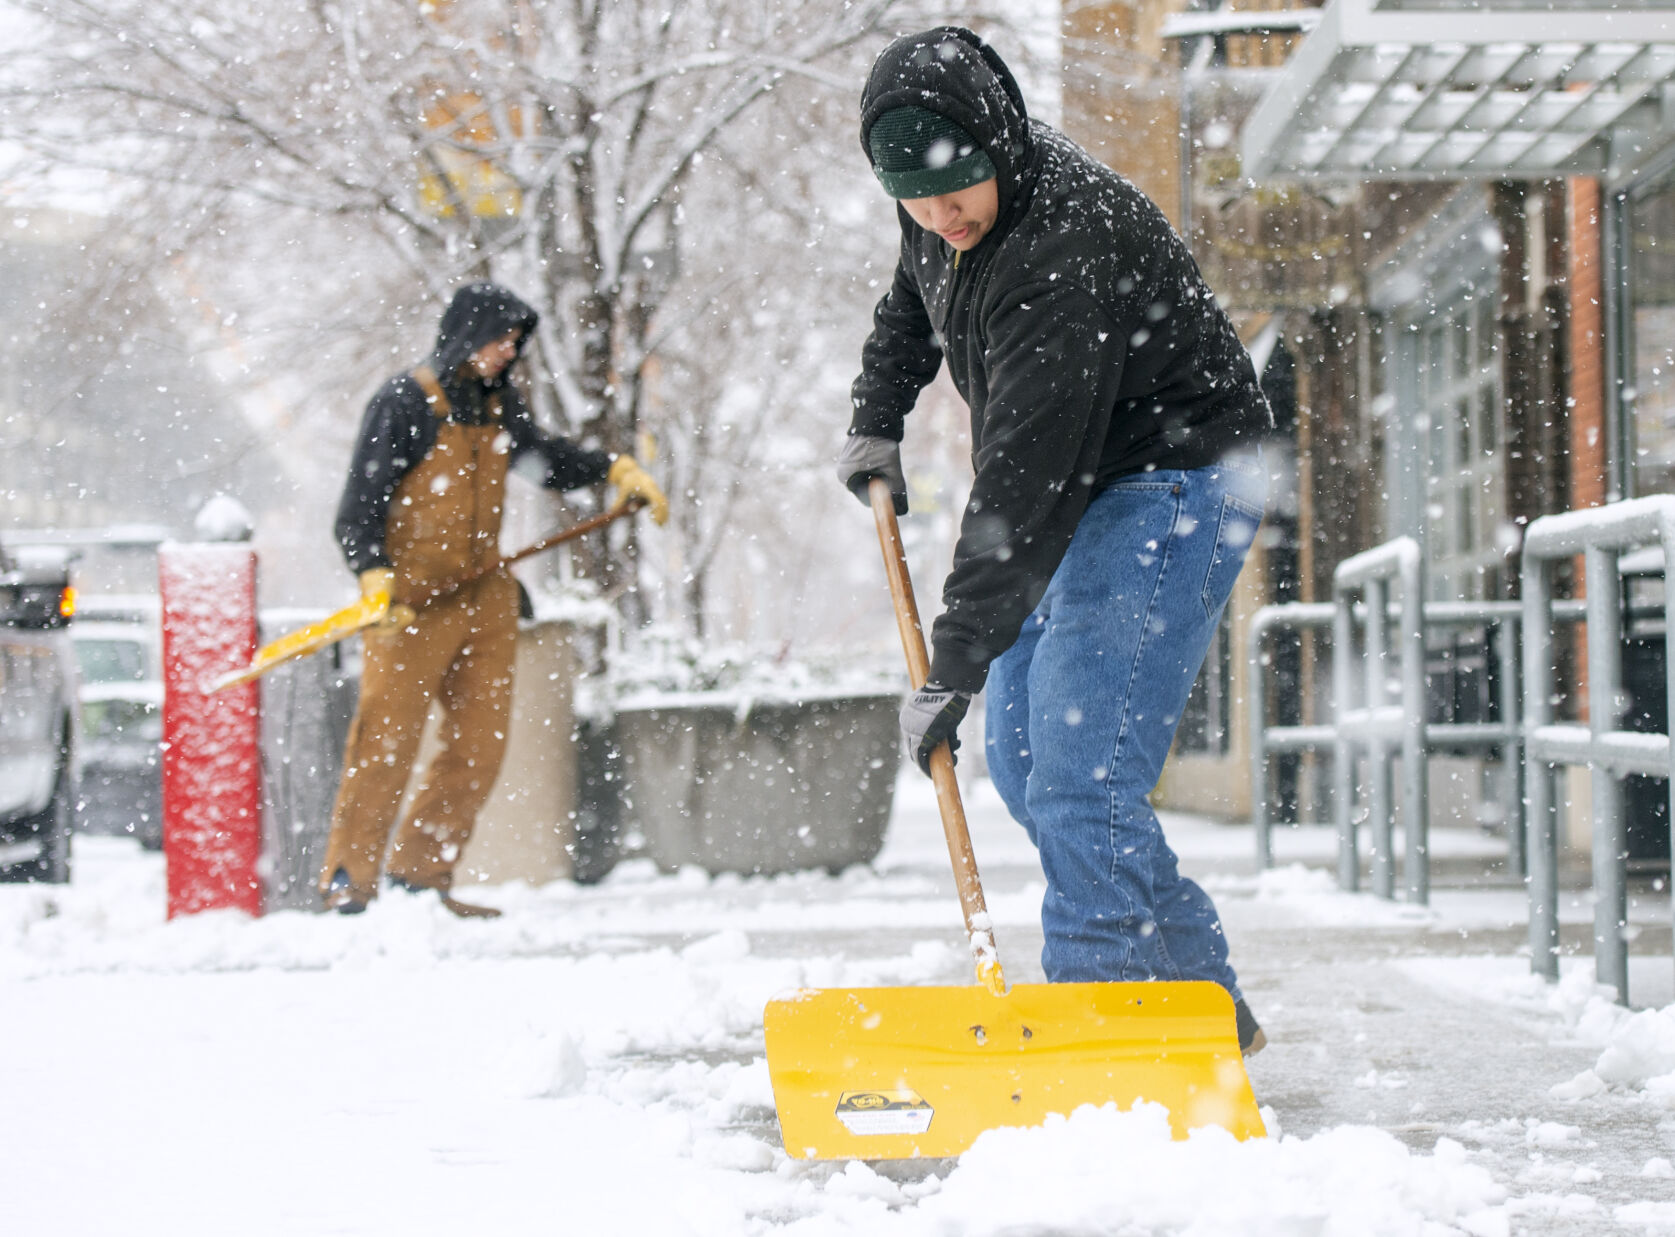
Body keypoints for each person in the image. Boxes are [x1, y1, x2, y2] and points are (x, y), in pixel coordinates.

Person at [836, 28, 1272, 1052]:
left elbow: (1026, 481)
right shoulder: (940, 204)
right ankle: (1197, 1001)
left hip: (1174, 481)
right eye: (916, 203)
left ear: (993, 141)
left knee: (1083, 771)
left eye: (957, 195)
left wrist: (952, 663)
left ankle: (1104, 1039)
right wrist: (876, 414)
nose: (943, 221)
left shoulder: (1057, 249)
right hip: (1088, 481)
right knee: (1031, 762)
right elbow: (913, 305)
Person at [320, 282, 667, 917]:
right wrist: (372, 573)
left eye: (515, 342)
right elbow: (358, 505)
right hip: (411, 602)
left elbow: (545, 463)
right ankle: (350, 880)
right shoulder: (406, 403)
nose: (509, 353)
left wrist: (613, 470)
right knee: (385, 744)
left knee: (479, 748)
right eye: (501, 340)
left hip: (484, 597)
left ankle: (421, 878)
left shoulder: (498, 408)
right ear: (467, 335)